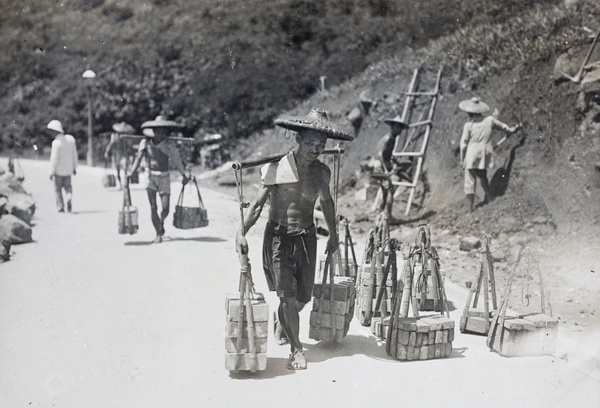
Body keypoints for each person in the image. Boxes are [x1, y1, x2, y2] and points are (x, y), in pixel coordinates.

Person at [235, 108, 353, 370]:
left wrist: (333, 235)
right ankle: (296, 349)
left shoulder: (322, 173)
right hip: (279, 237)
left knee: (303, 297)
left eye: (321, 145)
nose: (315, 149)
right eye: (310, 143)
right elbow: (256, 205)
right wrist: (240, 233)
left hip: (307, 238)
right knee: (287, 297)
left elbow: (327, 203)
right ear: (298, 139)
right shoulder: (277, 167)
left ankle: (284, 320)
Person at [128, 116, 189, 243]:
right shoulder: (145, 143)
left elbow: (176, 160)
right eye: (157, 131)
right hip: (150, 176)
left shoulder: (169, 145)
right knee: (153, 206)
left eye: (163, 132)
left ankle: (161, 223)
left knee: (165, 208)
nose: (160, 134)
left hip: (164, 177)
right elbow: (138, 160)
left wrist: (184, 175)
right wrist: (131, 173)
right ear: (153, 132)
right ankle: (157, 234)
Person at [459, 97, 520, 211]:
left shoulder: (468, 126)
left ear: (469, 112)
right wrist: (511, 130)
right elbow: (504, 128)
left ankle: (469, 209)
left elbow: (463, 145)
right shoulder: (490, 120)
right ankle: (490, 198)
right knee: (483, 176)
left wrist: (462, 160)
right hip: (484, 155)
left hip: (471, 156)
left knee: (470, 182)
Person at [374, 115, 410, 221]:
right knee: (390, 190)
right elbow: (380, 154)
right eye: (398, 127)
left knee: (386, 191)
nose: (400, 130)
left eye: (400, 128)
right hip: (379, 166)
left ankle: (381, 216)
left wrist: (397, 163)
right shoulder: (388, 138)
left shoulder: (392, 139)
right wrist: (385, 169)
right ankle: (387, 217)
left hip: (381, 165)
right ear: (393, 127)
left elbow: (388, 155)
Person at [48, 120, 78, 213]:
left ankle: (60, 206)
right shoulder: (70, 140)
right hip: (68, 170)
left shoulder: (56, 142)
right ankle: (69, 196)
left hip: (58, 171)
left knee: (58, 189)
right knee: (68, 187)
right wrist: (74, 167)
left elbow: (54, 159)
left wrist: (51, 172)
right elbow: (74, 154)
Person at [104, 122, 135, 189]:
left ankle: (125, 182)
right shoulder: (114, 136)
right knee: (117, 169)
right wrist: (107, 152)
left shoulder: (126, 137)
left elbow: (129, 147)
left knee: (125, 168)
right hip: (116, 153)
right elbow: (111, 144)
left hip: (123, 153)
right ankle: (120, 183)